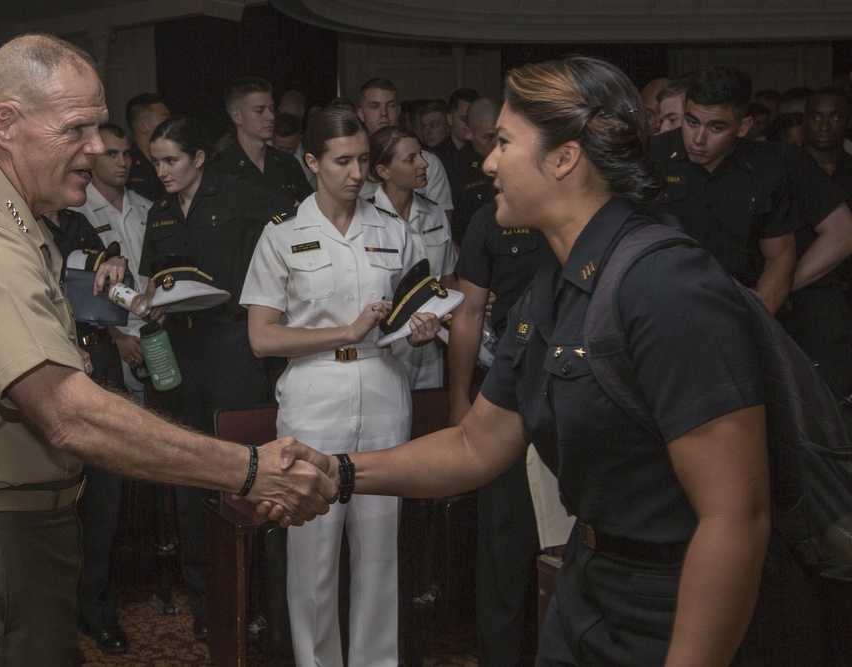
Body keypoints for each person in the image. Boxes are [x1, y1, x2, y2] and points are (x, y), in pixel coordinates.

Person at [270, 55, 823, 666]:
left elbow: (735, 518)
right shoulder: (552, 288)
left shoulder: (666, 285)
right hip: (591, 584)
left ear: (564, 158)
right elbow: (476, 446)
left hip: (677, 602)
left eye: (505, 142)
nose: (486, 161)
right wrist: (336, 471)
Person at [0, 34, 334, 667]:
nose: (97, 149)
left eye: (98, 128)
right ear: (6, 125)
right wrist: (246, 468)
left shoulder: (18, 217)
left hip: (23, 526)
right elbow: (67, 412)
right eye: (76, 129)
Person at [240, 107, 440, 667]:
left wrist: (419, 332)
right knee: (314, 550)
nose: (357, 173)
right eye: (343, 161)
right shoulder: (283, 234)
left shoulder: (394, 230)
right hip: (314, 393)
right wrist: (347, 330)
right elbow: (261, 337)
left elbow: (407, 320)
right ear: (312, 162)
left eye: (361, 160)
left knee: (379, 549)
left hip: (383, 388)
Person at [138, 115, 300, 641]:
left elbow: (292, 235)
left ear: (199, 158)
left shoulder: (242, 195)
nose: (161, 171)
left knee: (246, 470)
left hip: (233, 346)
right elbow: (152, 278)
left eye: (171, 161)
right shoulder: (160, 213)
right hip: (180, 352)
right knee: (188, 475)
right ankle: (211, 610)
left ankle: (259, 604)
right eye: (156, 161)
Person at [447, 200, 548, 666]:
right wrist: (459, 401)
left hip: (584, 391)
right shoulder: (490, 217)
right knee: (503, 543)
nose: (491, 161)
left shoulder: (596, 207)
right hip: (512, 386)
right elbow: (468, 313)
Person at [40, 207, 131, 653]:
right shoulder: (16, 222)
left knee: (105, 494)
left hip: (102, 359)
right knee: (50, 499)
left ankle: (98, 612)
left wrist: (117, 263)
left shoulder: (76, 221)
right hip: (49, 368)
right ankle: (52, 613)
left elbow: (102, 267)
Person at [650, 66, 798, 314]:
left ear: (743, 126)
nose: (698, 138)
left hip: (737, 304)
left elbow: (780, 257)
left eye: (716, 127)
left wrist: (757, 322)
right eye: (691, 121)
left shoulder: (766, 170)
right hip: (658, 304)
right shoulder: (651, 157)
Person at [367, 125, 457, 389]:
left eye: (421, 154)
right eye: (410, 159)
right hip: (385, 346)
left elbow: (448, 280)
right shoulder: (366, 220)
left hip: (433, 342)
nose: (423, 164)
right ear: (383, 171)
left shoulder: (435, 214)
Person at [73, 122, 152, 405]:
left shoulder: (147, 208)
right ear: (92, 157)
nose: (122, 162)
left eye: (127, 154)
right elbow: (79, 287)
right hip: (110, 333)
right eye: (112, 154)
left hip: (154, 325)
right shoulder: (76, 212)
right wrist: (116, 336)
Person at [356, 78, 454, 222]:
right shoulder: (354, 165)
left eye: (390, 106)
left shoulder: (428, 162)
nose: (383, 113)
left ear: (399, 111)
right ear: (361, 114)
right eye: (374, 107)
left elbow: (441, 222)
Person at [210, 76, 313, 203]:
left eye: (271, 109)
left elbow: (311, 212)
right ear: (237, 116)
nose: (270, 117)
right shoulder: (221, 170)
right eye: (259, 111)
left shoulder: (288, 164)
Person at [445, 97, 501, 245]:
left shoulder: (512, 158)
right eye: (489, 137)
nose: (496, 144)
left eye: (500, 136)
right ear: (468, 132)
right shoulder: (454, 168)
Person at [125, 93, 171, 202]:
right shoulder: (126, 165)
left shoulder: (173, 160)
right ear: (143, 127)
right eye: (165, 121)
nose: (171, 125)